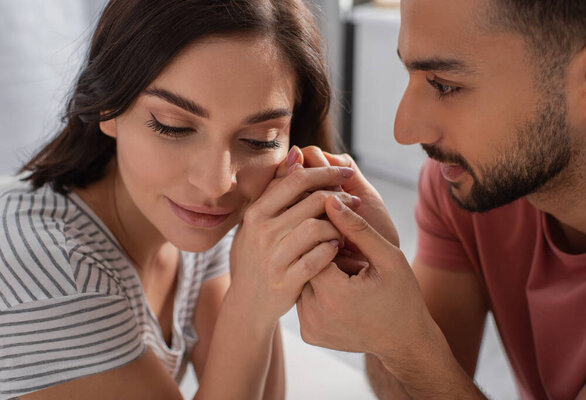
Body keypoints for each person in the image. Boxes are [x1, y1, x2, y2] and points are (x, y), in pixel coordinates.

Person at [0, 1, 362, 399]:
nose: (216, 184)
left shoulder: (192, 222)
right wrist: (250, 306)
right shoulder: (53, 278)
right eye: (173, 127)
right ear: (108, 105)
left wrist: (272, 259)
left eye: (260, 140)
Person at [293, 0, 586, 399]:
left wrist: (406, 346)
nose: (404, 129)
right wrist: (382, 294)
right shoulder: (471, 186)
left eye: (445, 85)